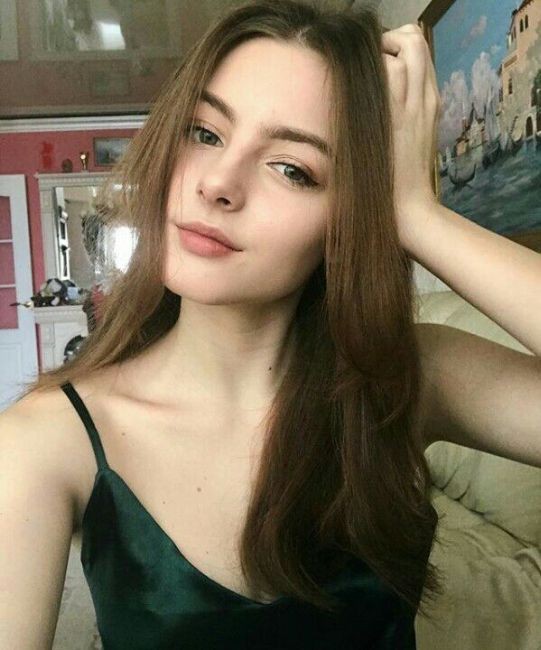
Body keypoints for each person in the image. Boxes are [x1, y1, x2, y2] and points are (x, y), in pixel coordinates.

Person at [1, 1, 540, 648]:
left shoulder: (405, 375)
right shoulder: (46, 438)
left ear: (348, 212)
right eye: (204, 133)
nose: (218, 184)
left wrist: (417, 216)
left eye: (292, 169)